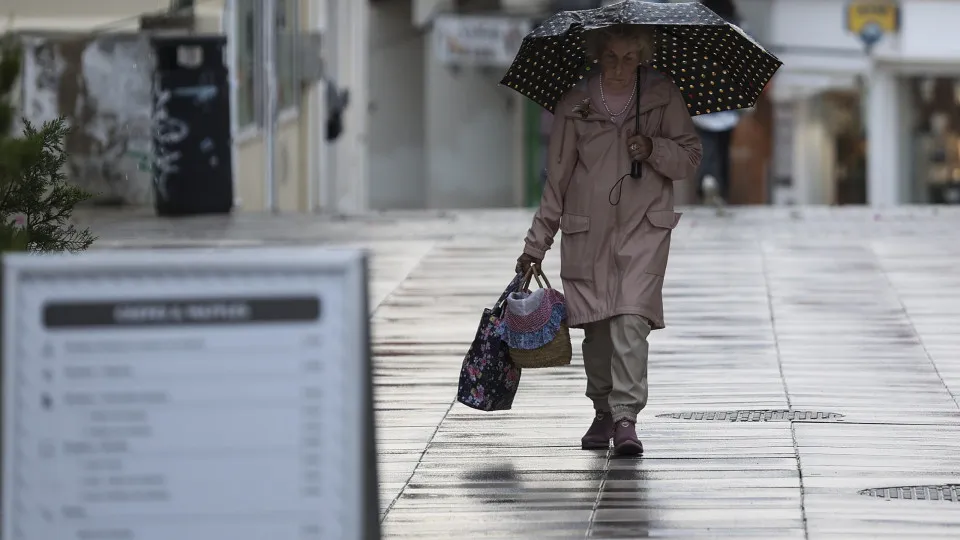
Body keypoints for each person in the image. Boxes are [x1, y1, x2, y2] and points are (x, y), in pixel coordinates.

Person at [515, 24, 702, 456]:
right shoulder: (574, 103)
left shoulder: (662, 95)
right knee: (598, 329)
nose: (620, 67)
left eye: (630, 59)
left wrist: (653, 147)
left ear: (643, 58)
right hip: (587, 232)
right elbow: (557, 179)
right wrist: (535, 244)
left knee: (631, 320)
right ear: (598, 55)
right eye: (612, 57)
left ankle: (625, 418)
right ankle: (602, 409)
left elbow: (690, 157)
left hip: (645, 230)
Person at [692, 0, 746, 205]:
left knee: (707, 144)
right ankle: (721, 187)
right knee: (723, 146)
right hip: (727, 101)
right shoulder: (735, 32)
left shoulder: (698, 33)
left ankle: (707, 178)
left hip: (702, 100)